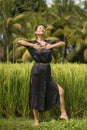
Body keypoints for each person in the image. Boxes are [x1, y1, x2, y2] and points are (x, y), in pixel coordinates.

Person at [17, 24, 68, 126]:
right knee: (35, 94)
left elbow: (62, 43)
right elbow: (19, 41)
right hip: (37, 70)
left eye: (43, 28)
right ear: (35, 32)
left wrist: (51, 46)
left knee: (60, 90)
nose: (42, 29)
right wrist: (32, 45)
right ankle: (36, 120)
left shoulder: (49, 42)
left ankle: (63, 114)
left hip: (47, 70)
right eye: (40, 28)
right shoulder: (32, 43)